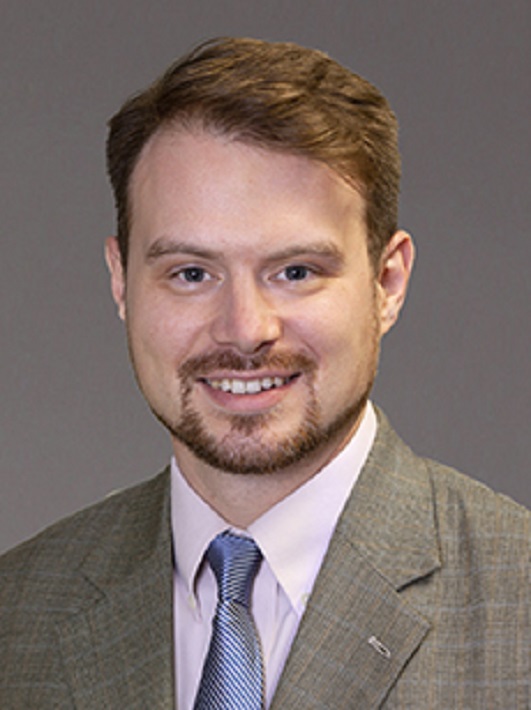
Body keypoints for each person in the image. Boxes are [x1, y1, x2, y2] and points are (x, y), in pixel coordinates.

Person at [0, 37, 528, 710]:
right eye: (191, 273)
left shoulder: (517, 601)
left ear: (387, 283)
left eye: (295, 272)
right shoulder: (16, 614)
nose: (245, 328)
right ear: (121, 281)